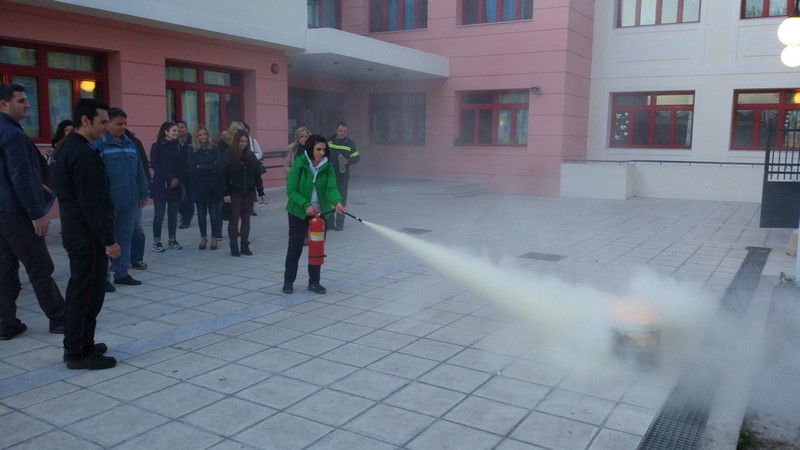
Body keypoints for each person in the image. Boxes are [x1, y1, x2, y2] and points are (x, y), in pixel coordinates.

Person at [53, 97, 120, 370]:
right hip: (86, 236)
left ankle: (79, 342)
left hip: (79, 232)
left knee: (81, 291)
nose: (106, 127)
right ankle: (79, 352)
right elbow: (92, 203)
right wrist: (109, 241)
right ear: (85, 120)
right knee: (87, 294)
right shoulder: (81, 154)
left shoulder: (73, 147)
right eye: (102, 122)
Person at [0, 83, 65, 340]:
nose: (28, 105)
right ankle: (60, 318)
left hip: (3, 213)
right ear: (3, 104)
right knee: (40, 266)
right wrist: (37, 214)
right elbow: (21, 177)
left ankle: (6, 324)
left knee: (5, 270)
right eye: (21, 101)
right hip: (17, 213)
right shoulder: (12, 134)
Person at [283, 134, 345, 295]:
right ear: (311, 149)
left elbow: (332, 187)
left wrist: (338, 202)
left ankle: (314, 282)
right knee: (295, 247)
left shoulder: (327, 166)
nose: (321, 153)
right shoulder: (299, 163)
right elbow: (291, 190)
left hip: (319, 214)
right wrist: (306, 204)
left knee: (317, 248)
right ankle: (288, 281)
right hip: (298, 212)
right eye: (318, 149)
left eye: (324, 150)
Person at [93, 108, 148, 291]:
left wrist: (143, 193)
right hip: (108, 202)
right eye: (119, 124)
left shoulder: (130, 143)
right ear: (108, 123)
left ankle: (121, 273)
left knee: (125, 238)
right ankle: (103, 278)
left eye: (125, 123)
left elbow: (140, 170)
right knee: (106, 240)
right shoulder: (99, 144)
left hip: (129, 201)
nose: (123, 127)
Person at [221, 129, 264, 257]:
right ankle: (233, 245)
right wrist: (225, 193)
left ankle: (245, 245)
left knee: (246, 220)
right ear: (236, 141)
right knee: (234, 220)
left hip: (249, 191)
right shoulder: (228, 154)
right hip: (234, 192)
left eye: (245, 141)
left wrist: (260, 191)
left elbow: (257, 175)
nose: (243, 144)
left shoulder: (251, 156)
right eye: (241, 141)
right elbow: (223, 176)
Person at [187, 124, 223, 250]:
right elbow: (192, 168)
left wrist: (201, 167)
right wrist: (209, 167)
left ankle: (214, 236)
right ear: (196, 136)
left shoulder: (214, 148)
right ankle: (203, 237)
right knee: (201, 214)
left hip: (214, 186)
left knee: (214, 214)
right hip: (199, 186)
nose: (203, 137)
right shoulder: (191, 150)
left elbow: (218, 164)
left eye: (205, 134)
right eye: (200, 135)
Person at [149, 122, 183, 252]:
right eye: (174, 130)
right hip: (161, 184)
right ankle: (157, 241)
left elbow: (182, 165)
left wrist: (177, 178)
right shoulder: (157, 146)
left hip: (176, 185)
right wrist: (170, 178)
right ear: (166, 132)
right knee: (159, 215)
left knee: (173, 215)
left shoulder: (178, 146)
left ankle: (172, 239)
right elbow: (155, 165)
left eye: (178, 131)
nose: (176, 133)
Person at [125, 128, 150, 271]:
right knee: (117, 231)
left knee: (137, 228)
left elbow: (143, 167)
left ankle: (137, 258)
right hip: (114, 195)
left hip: (134, 193)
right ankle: (119, 262)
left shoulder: (134, 143)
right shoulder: (103, 143)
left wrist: (144, 191)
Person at [327, 121, 360, 231]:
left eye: (344, 131)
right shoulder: (329, 141)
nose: (342, 133)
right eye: (340, 131)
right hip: (329, 175)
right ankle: (330, 223)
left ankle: (340, 223)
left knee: (341, 199)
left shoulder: (350, 144)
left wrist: (348, 161)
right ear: (336, 130)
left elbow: (357, 157)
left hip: (342, 177)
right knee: (329, 199)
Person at [176, 120, 194, 229]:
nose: (180, 130)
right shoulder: (173, 141)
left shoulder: (192, 141)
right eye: (178, 128)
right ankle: (183, 215)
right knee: (178, 197)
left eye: (182, 127)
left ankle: (187, 219)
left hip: (189, 174)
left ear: (186, 129)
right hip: (177, 173)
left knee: (189, 197)